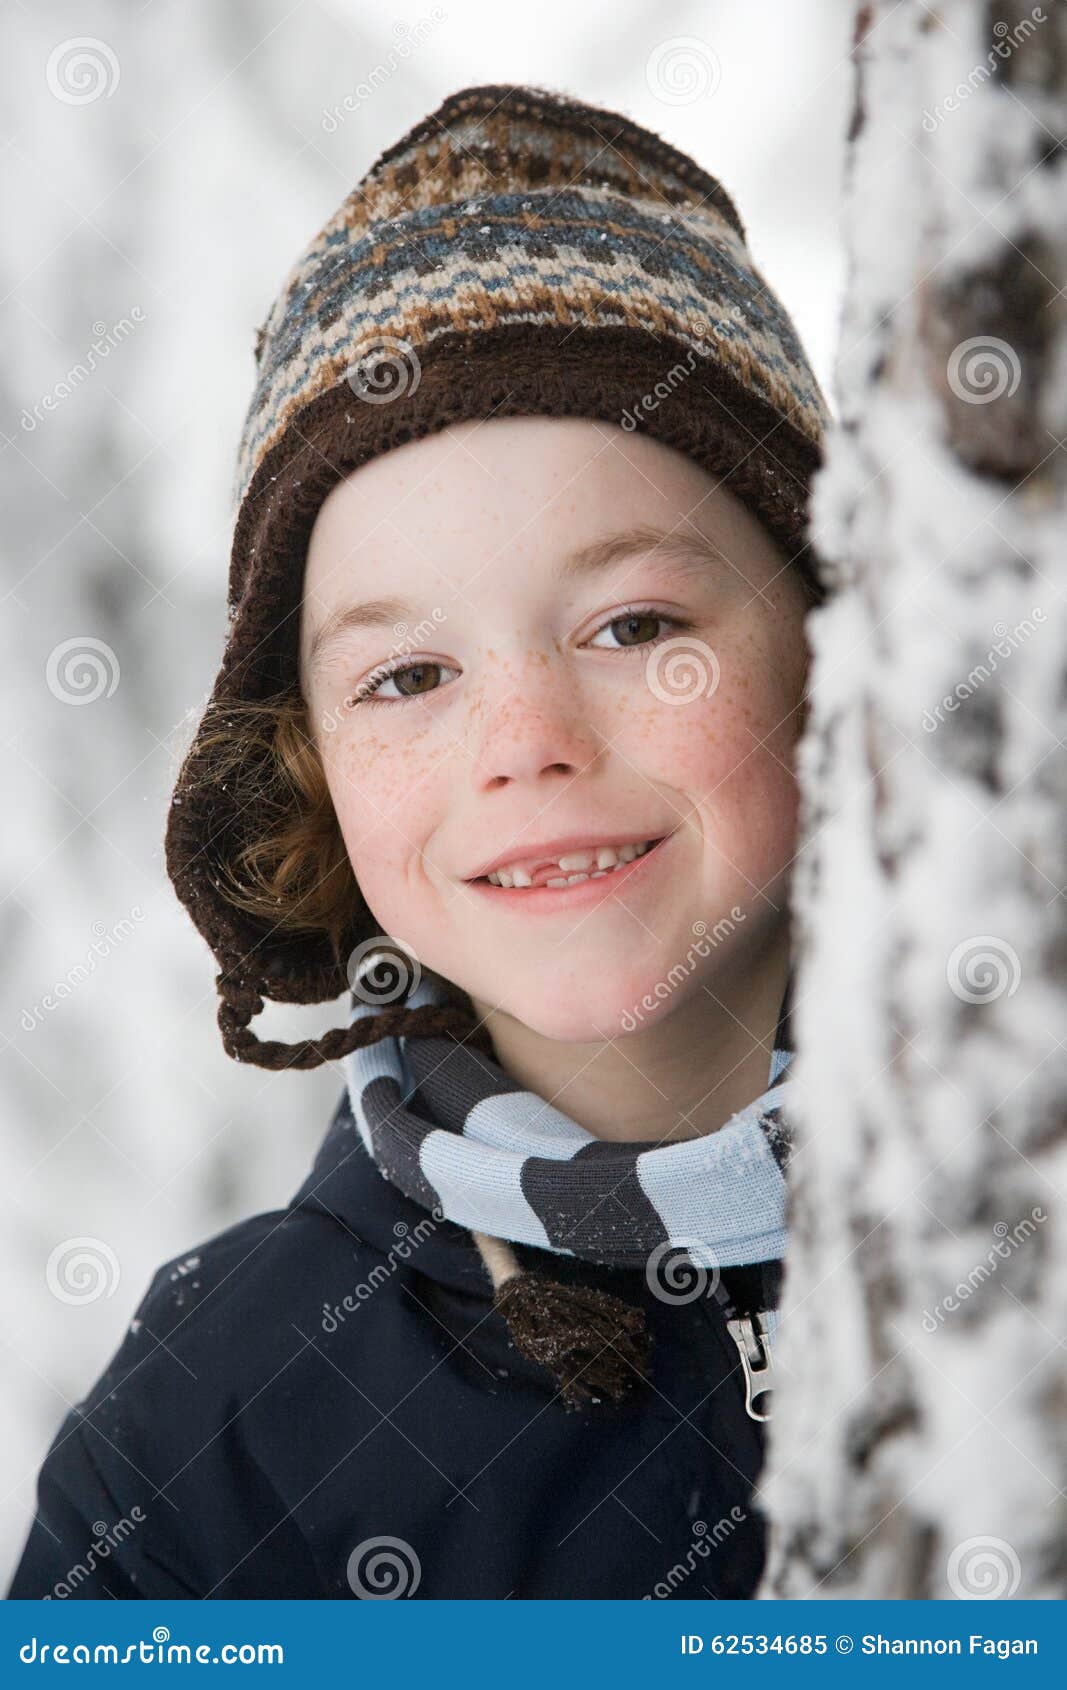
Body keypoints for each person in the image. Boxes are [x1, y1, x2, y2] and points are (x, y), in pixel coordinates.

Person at [8, 81, 828, 1601]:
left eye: (633, 625)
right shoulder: (210, 1447)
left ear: (834, 653)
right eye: (409, 676)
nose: (526, 741)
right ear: (308, 763)